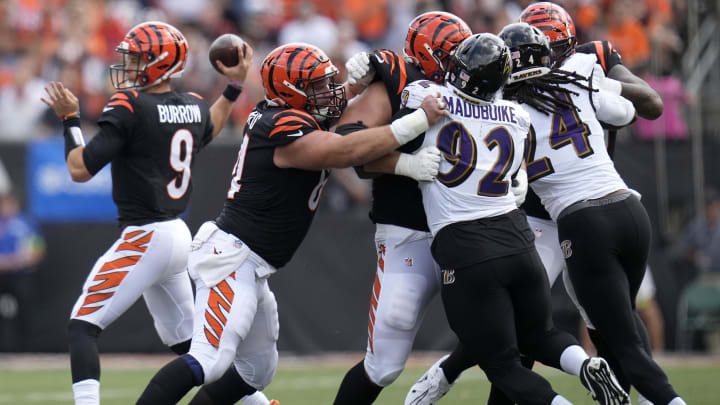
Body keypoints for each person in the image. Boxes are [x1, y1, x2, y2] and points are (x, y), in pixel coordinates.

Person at [134, 42, 447, 405]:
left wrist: (356, 85)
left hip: (252, 263)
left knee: (257, 370)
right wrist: (419, 119)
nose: (328, 91)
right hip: (233, 260)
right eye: (316, 85)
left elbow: (329, 112)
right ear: (291, 91)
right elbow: (346, 151)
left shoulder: (293, 112)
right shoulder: (282, 124)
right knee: (210, 360)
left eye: (327, 82)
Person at [406, 2, 664, 403]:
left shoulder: (589, 62)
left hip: (580, 203)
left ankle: (638, 393)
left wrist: (599, 84)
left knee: (613, 318)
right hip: (537, 212)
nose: (554, 58)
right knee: (524, 318)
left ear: (568, 45)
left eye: (561, 49)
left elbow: (650, 103)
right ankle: (466, 374)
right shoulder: (517, 85)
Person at [40, 21, 253, 405]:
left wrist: (69, 119)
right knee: (191, 343)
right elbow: (212, 124)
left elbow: (79, 168)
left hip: (146, 235)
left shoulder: (129, 106)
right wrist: (234, 88)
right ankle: (258, 402)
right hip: (176, 235)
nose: (129, 65)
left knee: (82, 325)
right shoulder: (191, 104)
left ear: (160, 63)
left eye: (137, 59)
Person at [498, 16, 687, 405]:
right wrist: (596, 87)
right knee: (620, 327)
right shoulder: (581, 71)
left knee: (622, 340)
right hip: (629, 210)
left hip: (583, 222)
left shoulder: (505, 111)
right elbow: (629, 113)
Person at [331, 12, 473, 405]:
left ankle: (443, 374)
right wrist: (403, 164)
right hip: (408, 228)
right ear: (426, 55)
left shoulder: (484, 85)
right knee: (384, 364)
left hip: (470, 226)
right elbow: (349, 146)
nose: (461, 64)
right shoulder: (399, 79)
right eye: (451, 54)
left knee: (498, 336)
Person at [0, 190, 45, 351]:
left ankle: (28, 349)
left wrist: (18, 261)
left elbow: (37, 249)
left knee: (26, 311)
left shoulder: (26, 224)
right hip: (1, 274)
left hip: (21, 274)